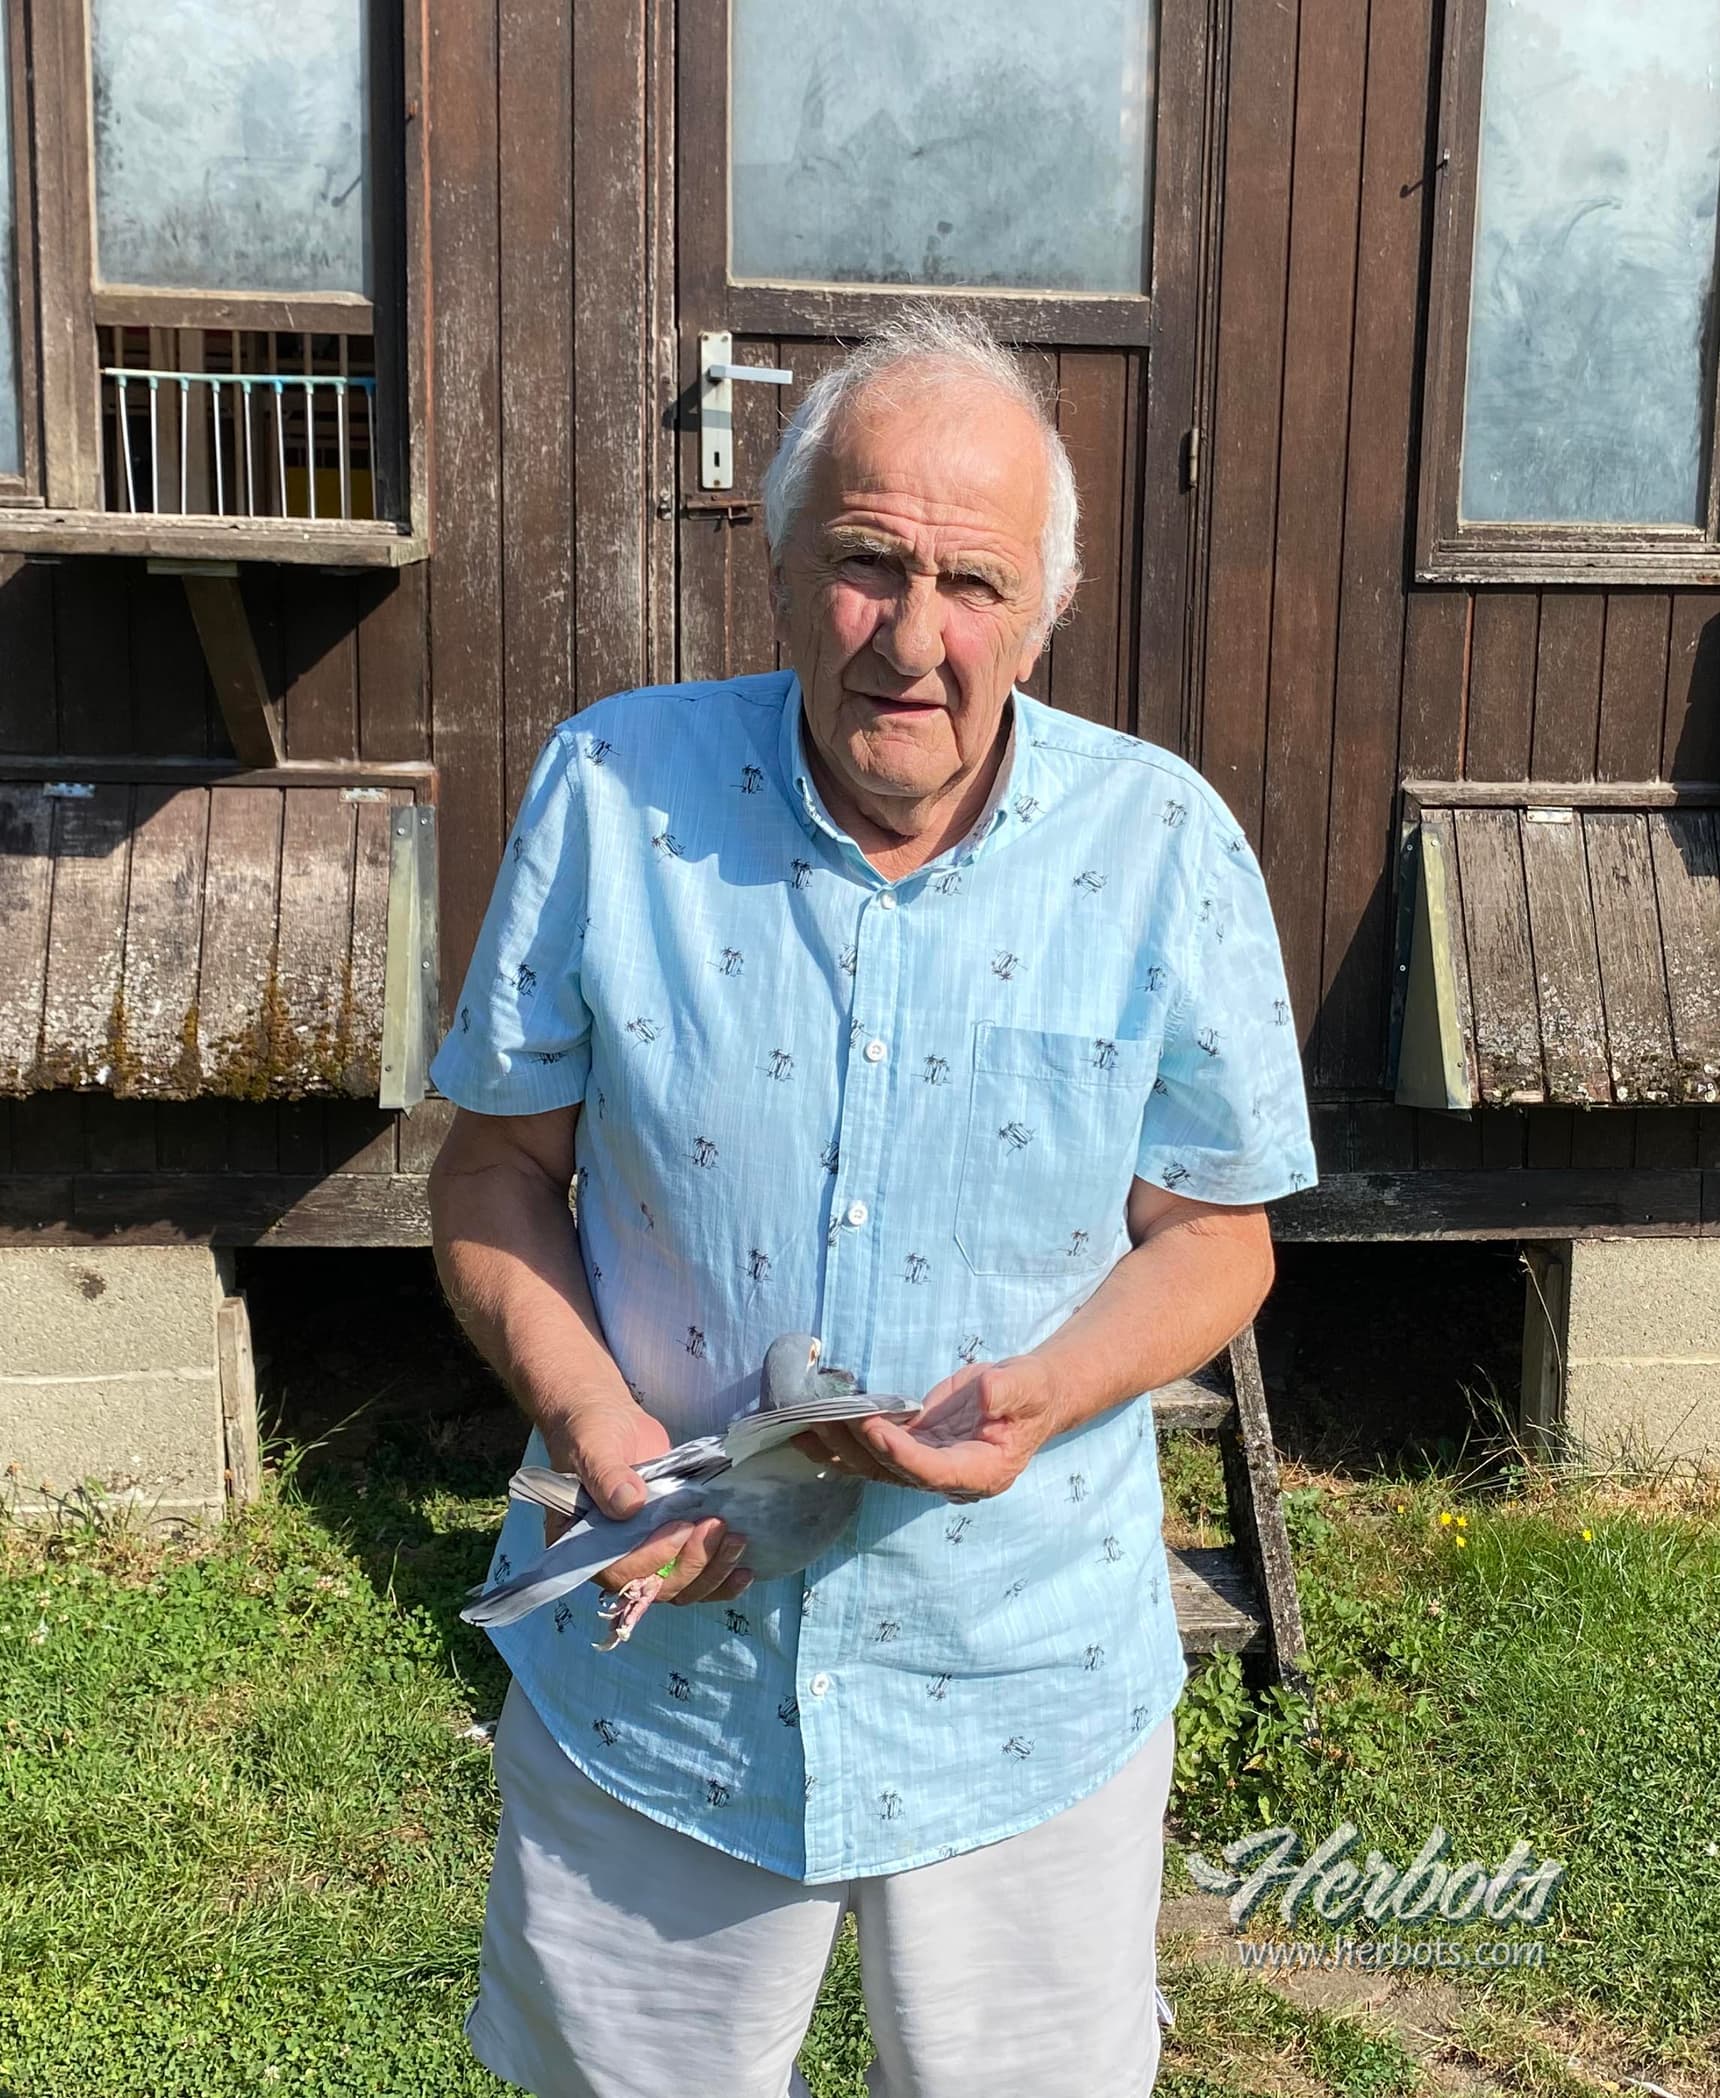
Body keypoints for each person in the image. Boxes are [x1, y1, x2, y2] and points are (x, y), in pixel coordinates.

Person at [427, 307, 1317, 2098]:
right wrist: (594, 1419)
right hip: (660, 1664)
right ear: (775, 570)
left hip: (1020, 1677)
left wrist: (1049, 1395)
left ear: (1045, 613)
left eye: (974, 582)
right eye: (867, 563)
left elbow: (1220, 1234)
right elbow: (495, 1169)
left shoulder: (1162, 846)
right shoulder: (612, 790)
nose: (916, 637)